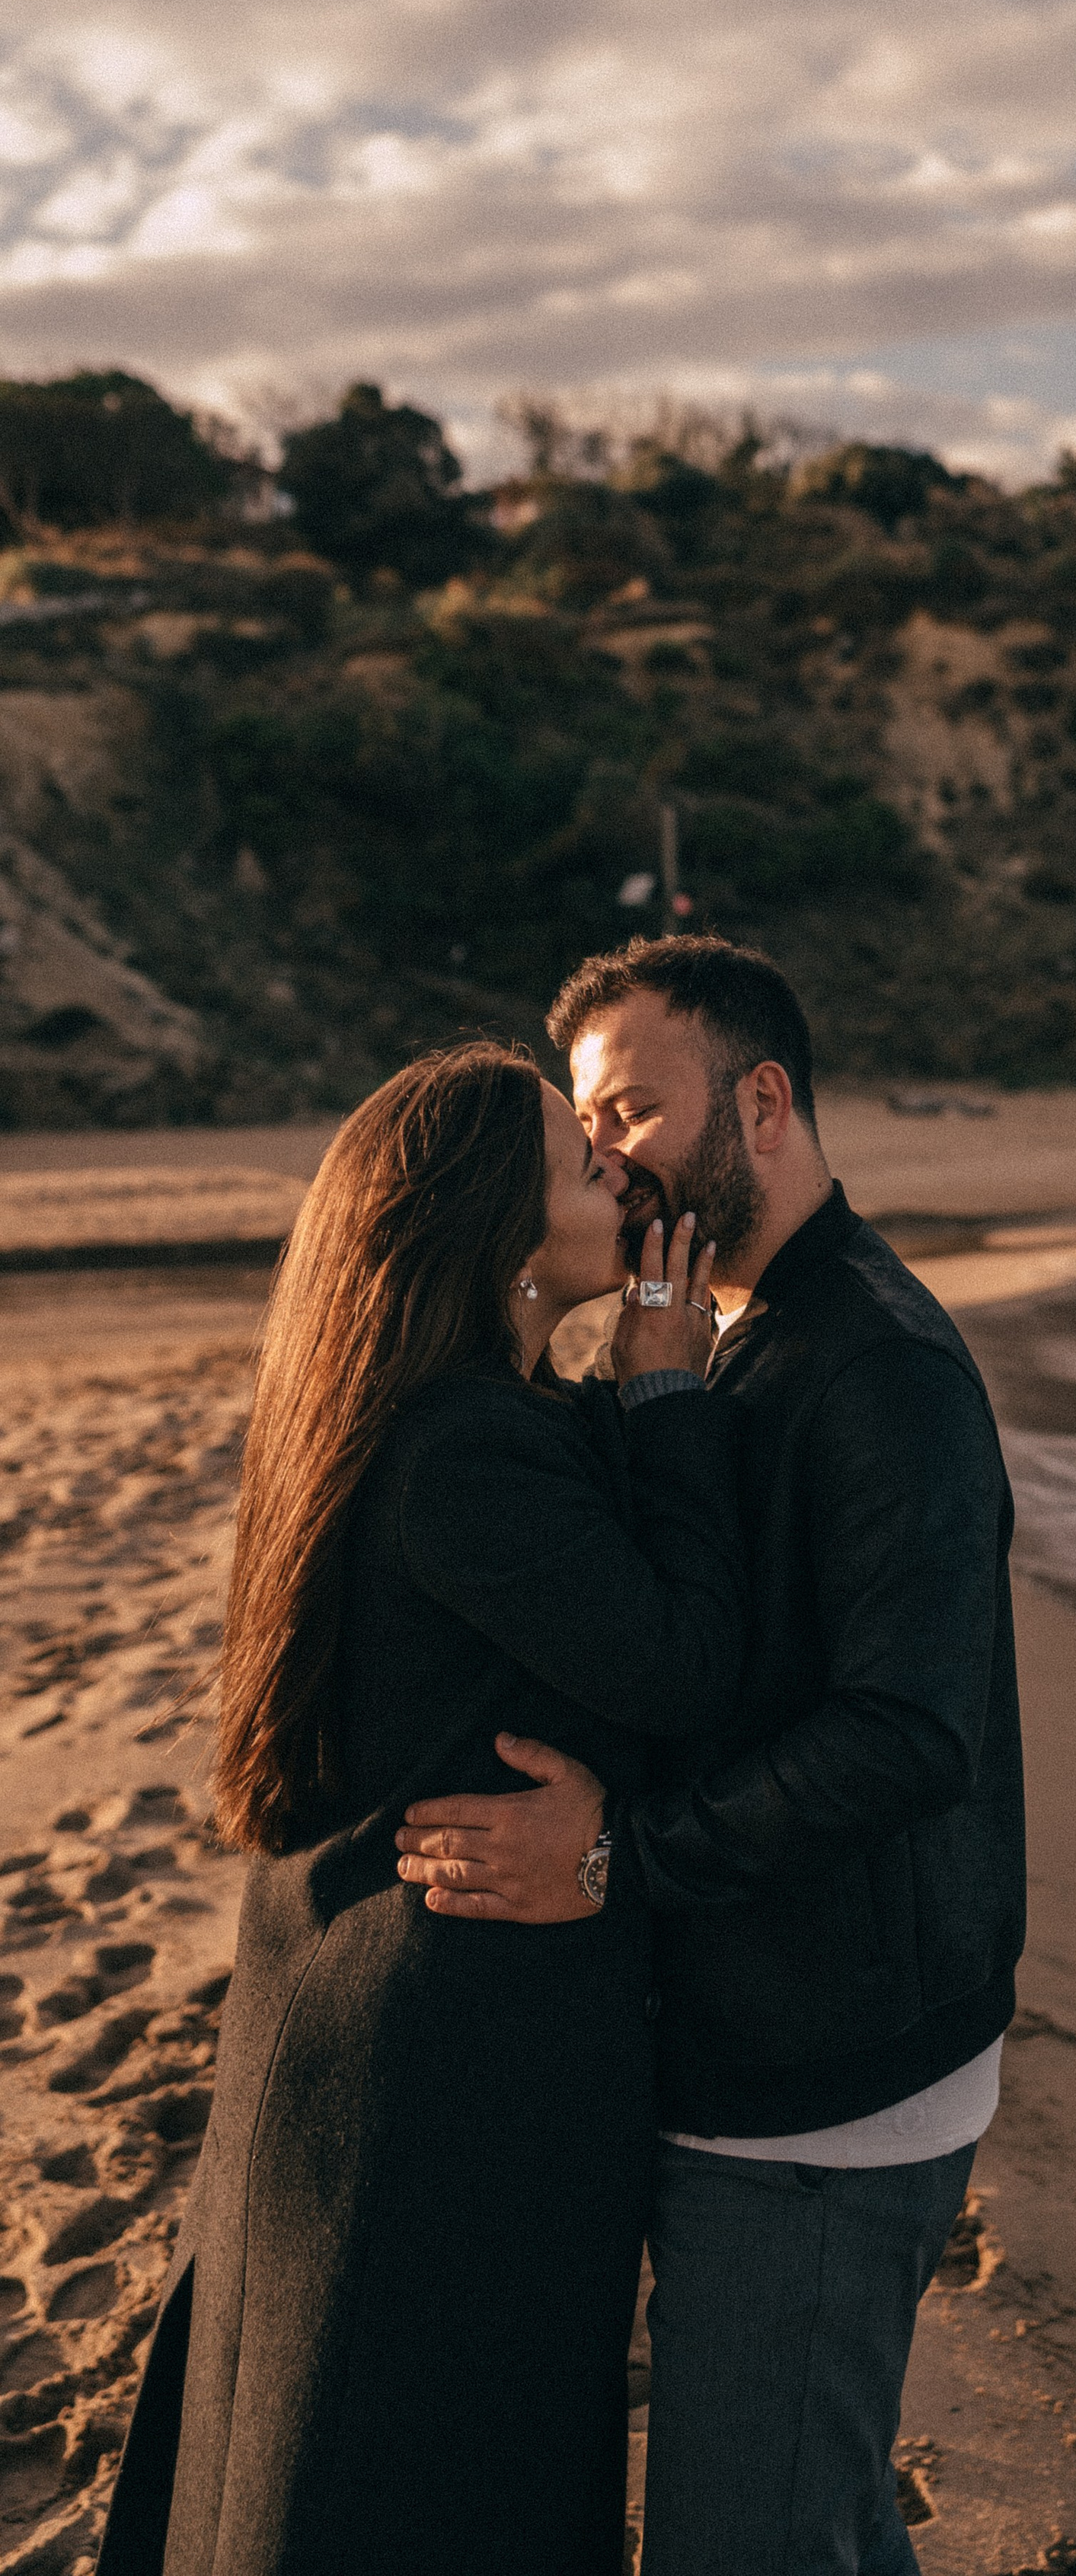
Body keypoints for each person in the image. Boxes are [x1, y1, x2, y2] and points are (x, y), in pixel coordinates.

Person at [397, 938, 1027, 2576]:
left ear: (760, 1102)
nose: (604, 1156)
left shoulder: (875, 1369)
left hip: (828, 2083)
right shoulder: (726, 1339)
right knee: (799, 2515)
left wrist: (615, 1862)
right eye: (585, 1128)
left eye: (631, 1109)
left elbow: (906, 1738)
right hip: (756, 2035)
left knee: (747, 2543)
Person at [100, 1042, 744, 2576]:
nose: (621, 1172)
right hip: (444, 2072)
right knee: (419, 2488)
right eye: (583, 1166)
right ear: (491, 1229)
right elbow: (688, 1669)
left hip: (364, 2020)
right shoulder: (463, 1450)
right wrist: (667, 1387)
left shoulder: (447, 1413)